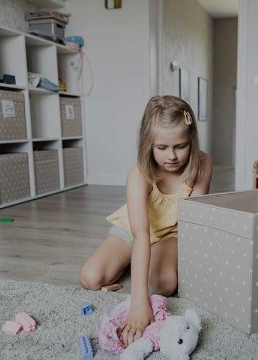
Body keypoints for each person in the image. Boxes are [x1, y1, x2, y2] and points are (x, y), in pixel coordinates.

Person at [80, 95, 212, 347]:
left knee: (164, 284)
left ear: (192, 140)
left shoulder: (203, 163)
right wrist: (138, 303)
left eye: (180, 146)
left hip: (171, 232)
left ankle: (144, 261)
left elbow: (195, 221)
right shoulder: (140, 174)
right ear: (148, 143)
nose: (171, 156)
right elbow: (141, 233)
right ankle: (135, 260)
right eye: (161, 148)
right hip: (135, 229)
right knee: (91, 278)